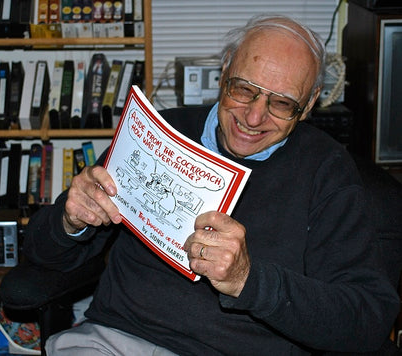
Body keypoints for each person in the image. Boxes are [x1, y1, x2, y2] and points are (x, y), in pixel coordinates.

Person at [23, 14, 400, 355]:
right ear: (224, 71)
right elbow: (41, 256)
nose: (253, 116)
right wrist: (70, 222)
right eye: (243, 89)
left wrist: (248, 282)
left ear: (311, 101)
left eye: (282, 104)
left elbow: (367, 320)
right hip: (114, 341)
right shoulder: (157, 132)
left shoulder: (327, 170)